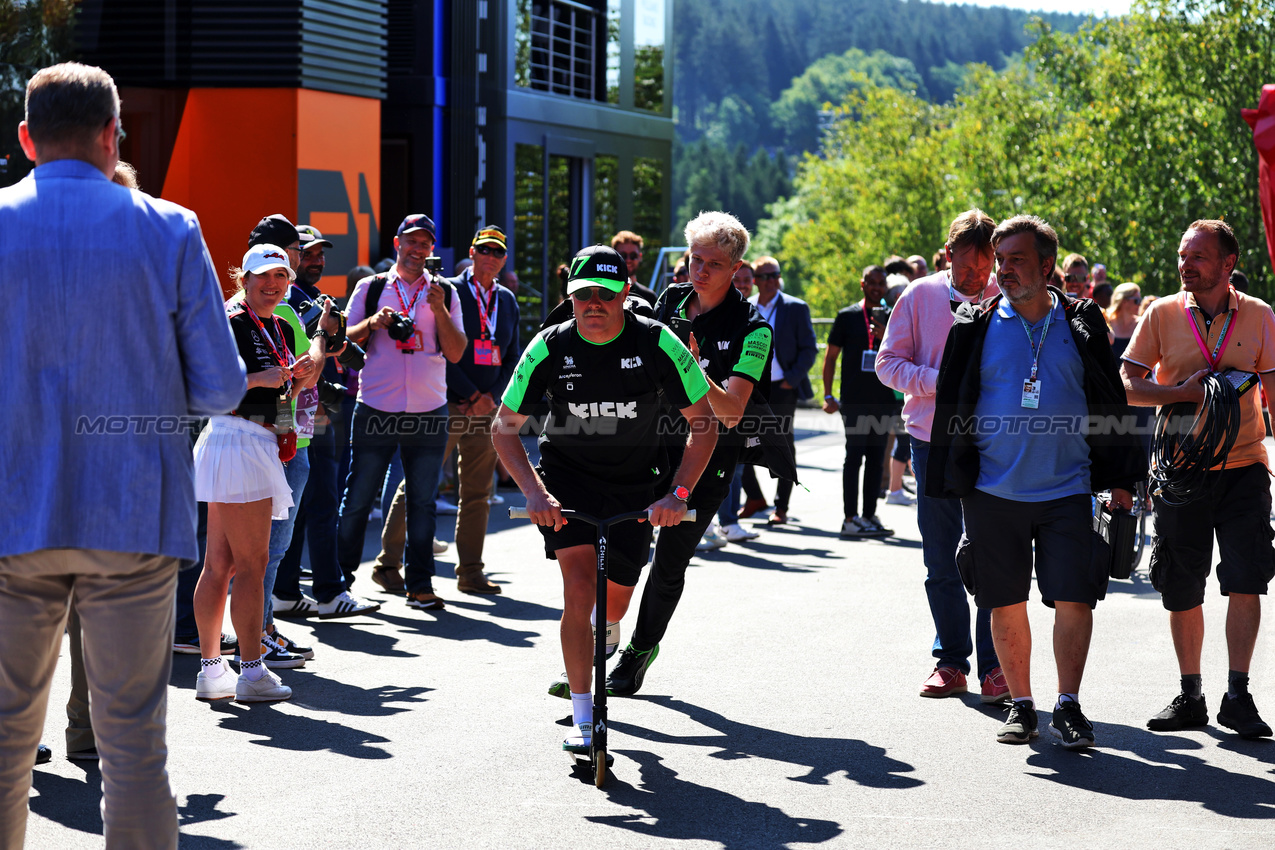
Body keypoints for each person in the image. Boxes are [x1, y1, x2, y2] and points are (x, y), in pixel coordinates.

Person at [0, 62, 245, 849]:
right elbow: (219, 388)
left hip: (9, 514)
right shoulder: (170, 227)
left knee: (5, 741)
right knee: (133, 744)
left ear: (26, 139)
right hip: (134, 514)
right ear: (114, 137)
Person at [929, 214, 1143, 747]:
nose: (1003, 271)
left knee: (1075, 598)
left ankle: (1067, 704)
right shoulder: (973, 324)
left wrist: (1121, 477)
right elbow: (952, 404)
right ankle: (1022, 706)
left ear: (1048, 266)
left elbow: (1109, 400)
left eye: (1016, 260)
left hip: (1067, 488)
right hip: (992, 491)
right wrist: (947, 478)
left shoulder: (1084, 321)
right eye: (1000, 261)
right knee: (1003, 600)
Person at [493, 244, 716, 752]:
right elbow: (503, 428)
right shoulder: (548, 346)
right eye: (583, 294)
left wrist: (678, 494)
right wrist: (535, 492)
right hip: (567, 484)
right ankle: (582, 718)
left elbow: (703, 426)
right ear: (570, 297)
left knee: (613, 599)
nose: (594, 303)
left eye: (606, 294)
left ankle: (606, 626)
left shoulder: (658, 341)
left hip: (638, 485)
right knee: (577, 589)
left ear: (625, 295)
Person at [607, 212, 775, 696]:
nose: (698, 272)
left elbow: (732, 412)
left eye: (713, 264)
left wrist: (689, 362)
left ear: (736, 268)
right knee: (622, 548)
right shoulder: (672, 299)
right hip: (650, 444)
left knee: (670, 562)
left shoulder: (753, 328)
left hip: (710, 456)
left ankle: (639, 650)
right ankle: (599, 646)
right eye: (693, 259)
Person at [1121, 219, 1275, 740]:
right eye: (1183, 256)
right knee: (1181, 584)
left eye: (1199, 257)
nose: (1186, 265)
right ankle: (1191, 695)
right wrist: (1181, 394)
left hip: (1245, 468)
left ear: (1228, 264)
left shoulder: (1259, 316)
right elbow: (1128, 386)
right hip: (1181, 471)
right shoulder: (1160, 313)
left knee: (1246, 578)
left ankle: (1237, 694)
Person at [877, 209, 1007, 702]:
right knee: (940, 557)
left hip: (994, 441)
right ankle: (952, 662)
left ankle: (996, 666)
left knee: (993, 555)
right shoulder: (919, 295)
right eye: (968, 268)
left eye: (985, 267)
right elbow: (888, 365)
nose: (978, 279)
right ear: (947, 254)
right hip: (931, 440)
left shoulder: (1005, 294)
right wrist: (939, 384)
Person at [193, 244, 325, 702]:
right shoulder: (233, 320)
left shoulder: (274, 325)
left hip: (251, 442)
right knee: (251, 565)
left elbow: (282, 396)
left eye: (281, 276)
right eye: (264, 276)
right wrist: (255, 381)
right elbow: (201, 384)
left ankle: (213, 672)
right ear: (244, 278)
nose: (273, 284)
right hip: (237, 439)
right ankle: (250, 672)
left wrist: (299, 381)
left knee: (223, 565)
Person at [337, 214, 467, 610]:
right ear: (397, 244)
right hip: (377, 405)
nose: (417, 249)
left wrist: (439, 311)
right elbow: (341, 338)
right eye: (412, 241)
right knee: (359, 497)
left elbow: (458, 351)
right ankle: (338, 584)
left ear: (431, 249)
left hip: (428, 409)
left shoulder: (443, 291)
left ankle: (420, 585)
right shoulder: (372, 287)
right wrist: (374, 323)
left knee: (423, 501)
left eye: (425, 243)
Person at [273, 224, 382, 620]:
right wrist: (325, 332)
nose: (315, 260)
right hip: (302, 417)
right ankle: (330, 593)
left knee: (300, 506)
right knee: (320, 503)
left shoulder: (311, 298)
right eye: (308, 252)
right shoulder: (289, 299)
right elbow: (306, 355)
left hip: (305, 412)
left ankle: (285, 591)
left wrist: (336, 339)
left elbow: (336, 348)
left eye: (321, 254)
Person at [439, 225, 521, 594]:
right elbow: (440, 350)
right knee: (420, 484)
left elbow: (512, 356)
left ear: (504, 260)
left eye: (497, 252)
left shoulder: (506, 299)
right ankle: (390, 563)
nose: (490, 256)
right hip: (448, 401)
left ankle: (470, 571)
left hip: (487, 406)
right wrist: (471, 395)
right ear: (471, 253)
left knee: (477, 492)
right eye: (484, 250)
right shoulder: (449, 290)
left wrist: (491, 396)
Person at [822, 266, 895, 538]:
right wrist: (828, 395)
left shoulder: (893, 316)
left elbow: (906, 351)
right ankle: (850, 518)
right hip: (853, 401)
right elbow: (830, 358)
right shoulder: (848, 316)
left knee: (877, 458)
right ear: (862, 284)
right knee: (854, 457)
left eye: (881, 283)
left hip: (884, 399)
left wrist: (884, 335)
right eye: (872, 283)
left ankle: (869, 515)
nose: (877, 288)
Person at [747, 255, 817, 525]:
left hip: (782, 388)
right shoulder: (747, 307)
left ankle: (782, 507)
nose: (770, 281)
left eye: (774, 275)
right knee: (739, 442)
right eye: (764, 276)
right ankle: (754, 497)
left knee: (782, 445)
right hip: (751, 388)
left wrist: (791, 378)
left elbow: (809, 348)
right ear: (755, 280)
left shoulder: (795, 307)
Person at [610, 229, 659, 305]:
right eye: (623, 255)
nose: (628, 260)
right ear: (614, 256)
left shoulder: (650, 297)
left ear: (640, 257)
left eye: (633, 255)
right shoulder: (605, 294)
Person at [1104, 282, 1142, 360]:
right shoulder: (1106, 323)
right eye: (1136, 300)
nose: (1140, 304)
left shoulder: (1142, 324)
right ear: (1124, 301)